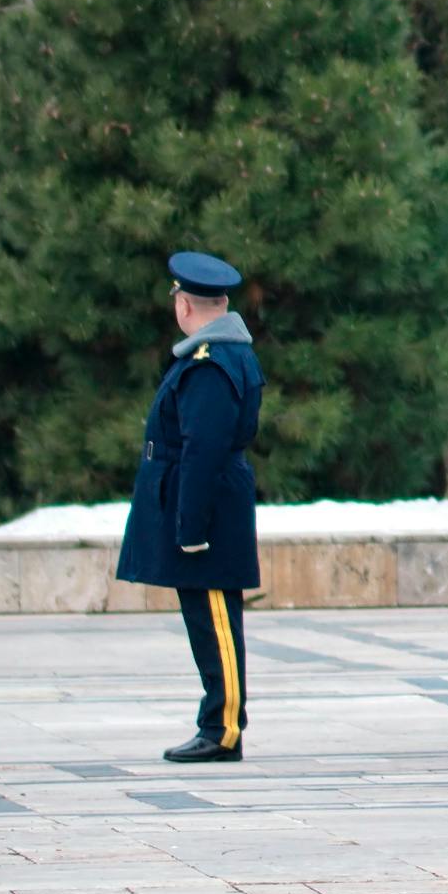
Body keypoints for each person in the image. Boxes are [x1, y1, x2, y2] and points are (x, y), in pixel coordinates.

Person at [116, 251, 263, 764]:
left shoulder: (211, 363)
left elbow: (203, 448)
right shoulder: (214, 355)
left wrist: (191, 524)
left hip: (210, 508)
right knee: (206, 616)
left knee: (215, 617)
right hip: (208, 502)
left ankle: (223, 727)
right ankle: (217, 721)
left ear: (185, 306)